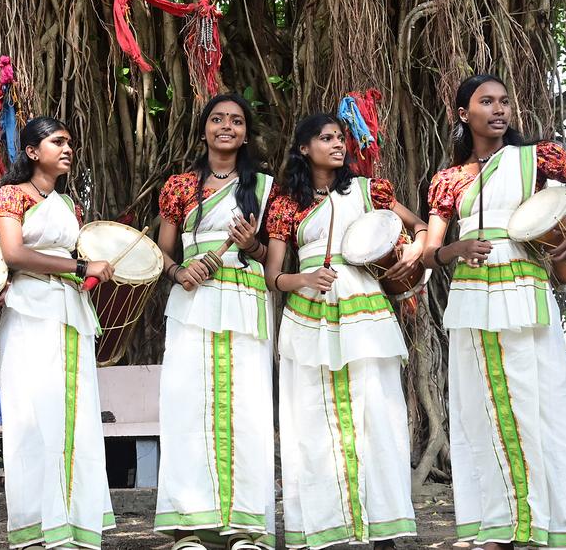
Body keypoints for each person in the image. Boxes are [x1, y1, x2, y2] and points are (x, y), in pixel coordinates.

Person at [423, 74, 566, 550]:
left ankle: (554, 524)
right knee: (482, 409)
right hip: (473, 299)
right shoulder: (447, 180)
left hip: (525, 294)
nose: (499, 109)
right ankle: (498, 526)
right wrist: (457, 248)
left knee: (542, 404)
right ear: (462, 115)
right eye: (486, 102)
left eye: (504, 101)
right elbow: (432, 254)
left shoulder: (536, 158)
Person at [263, 113, 423, 550]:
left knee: (377, 413)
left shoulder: (371, 190)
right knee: (313, 420)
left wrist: (413, 249)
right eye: (326, 138)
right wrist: (304, 279)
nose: (337, 144)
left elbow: (419, 226)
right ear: (303, 148)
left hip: (364, 309)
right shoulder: (285, 203)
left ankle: (383, 528)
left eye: (341, 137)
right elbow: (272, 276)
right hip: (308, 313)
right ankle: (326, 527)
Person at [0, 117, 115, 549]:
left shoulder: (67, 203)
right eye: (57, 142)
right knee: (33, 413)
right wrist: (80, 267)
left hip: (70, 309)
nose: (67, 148)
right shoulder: (11, 195)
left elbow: (75, 256)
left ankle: (74, 525)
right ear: (32, 151)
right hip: (29, 308)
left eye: (70, 143)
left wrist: (94, 270)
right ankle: (39, 527)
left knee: (73, 411)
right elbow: (14, 253)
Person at [153, 94, 276, 550]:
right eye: (218, 119)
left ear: (246, 132)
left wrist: (254, 247)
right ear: (204, 128)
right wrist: (178, 271)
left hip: (245, 302)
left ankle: (248, 530)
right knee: (189, 407)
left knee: (247, 410)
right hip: (192, 304)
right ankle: (190, 527)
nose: (227, 126)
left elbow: (274, 261)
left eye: (237, 121)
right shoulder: (180, 186)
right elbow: (161, 251)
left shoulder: (264, 187)